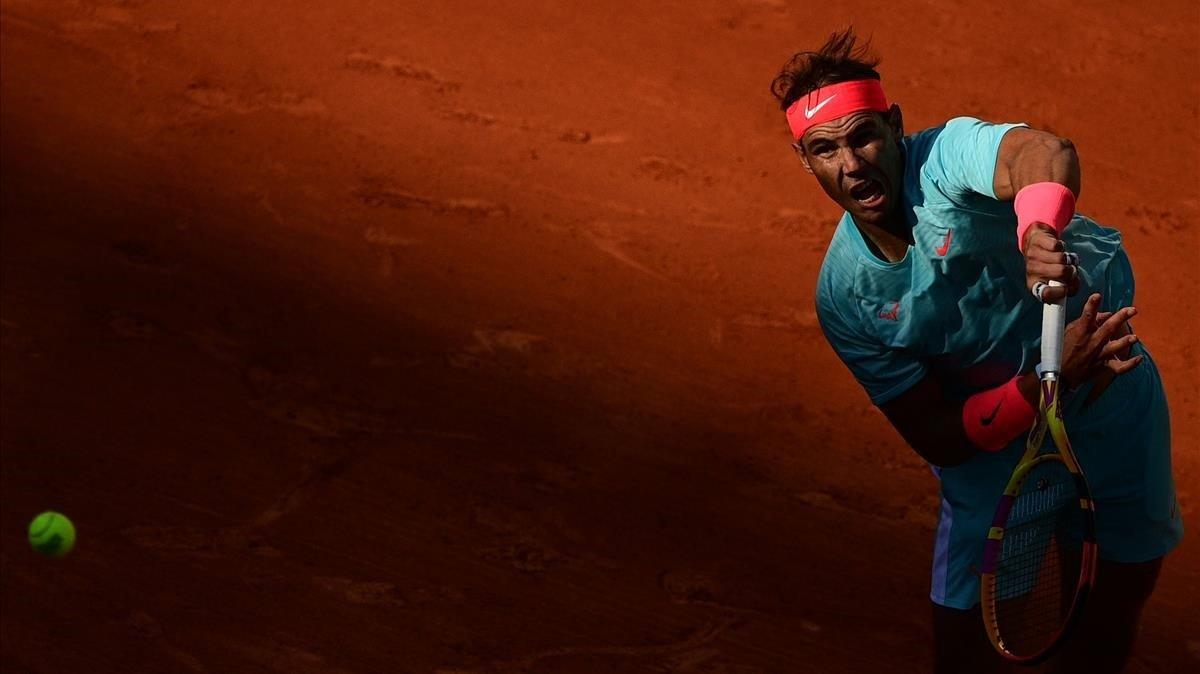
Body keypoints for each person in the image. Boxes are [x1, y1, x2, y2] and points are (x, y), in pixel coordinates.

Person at [769, 29, 1183, 674]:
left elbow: (1042, 151)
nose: (852, 163)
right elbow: (939, 436)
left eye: (864, 136)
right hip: (993, 456)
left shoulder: (945, 156)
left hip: (1111, 407)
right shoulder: (846, 296)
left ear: (894, 125)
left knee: (1111, 599)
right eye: (826, 150)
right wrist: (1050, 380)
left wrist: (1035, 230)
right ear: (807, 161)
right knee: (972, 643)